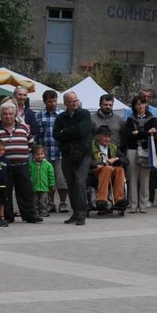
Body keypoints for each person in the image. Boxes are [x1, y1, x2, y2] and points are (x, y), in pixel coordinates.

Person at [0, 100, 38, 224]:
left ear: (15, 115)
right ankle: (7, 216)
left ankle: (30, 215)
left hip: (22, 164)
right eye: (5, 114)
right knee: (5, 192)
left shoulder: (24, 127)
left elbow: (31, 144)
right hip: (3, 167)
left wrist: (21, 153)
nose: (8, 116)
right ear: (0, 114)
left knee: (26, 191)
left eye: (10, 114)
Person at [53, 91, 92, 225]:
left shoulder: (85, 114)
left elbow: (83, 130)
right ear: (65, 104)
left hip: (83, 154)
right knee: (70, 183)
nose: (75, 103)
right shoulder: (61, 117)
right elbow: (56, 134)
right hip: (67, 153)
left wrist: (66, 131)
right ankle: (75, 212)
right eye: (71, 101)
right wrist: (70, 133)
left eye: (76, 100)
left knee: (80, 182)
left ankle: (82, 213)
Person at [121, 95, 157, 214]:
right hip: (132, 150)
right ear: (134, 106)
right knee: (132, 177)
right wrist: (146, 133)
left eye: (142, 103)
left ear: (146, 105)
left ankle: (143, 205)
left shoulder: (152, 118)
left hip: (147, 150)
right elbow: (129, 135)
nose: (141, 106)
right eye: (138, 104)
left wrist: (139, 132)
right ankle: (132, 205)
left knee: (145, 178)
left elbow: (153, 134)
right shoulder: (130, 119)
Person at [31, 91, 66, 211]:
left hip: (60, 152)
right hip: (44, 154)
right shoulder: (39, 115)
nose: (52, 103)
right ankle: (50, 203)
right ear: (45, 102)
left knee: (61, 180)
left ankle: (63, 202)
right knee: (46, 180)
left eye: (54, 100)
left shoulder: (63, 115)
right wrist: (35, 151)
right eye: (50, 101)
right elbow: (36, 136)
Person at [91, 126, 126, 213]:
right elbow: (86, 159)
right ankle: (101, 200)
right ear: (98, 136)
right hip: (95, 171)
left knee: (120, 170)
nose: (107, 139)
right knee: (106, 169)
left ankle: (119, 199)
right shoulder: (91, 145)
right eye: (104, 136)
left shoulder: (113, 147)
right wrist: (96, 165)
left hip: (110, 171)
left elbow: (126, 160)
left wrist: (115, 159)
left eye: (109, 137)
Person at [30, 146, 56, 220]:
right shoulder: (31, 164)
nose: (39, 156)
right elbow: (29, 174)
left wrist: (52, 184)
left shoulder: (48, 165)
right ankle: (35, 213)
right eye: (37, 154)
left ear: (44, 154)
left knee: (43, 201)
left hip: (44, 186)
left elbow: (51, 175)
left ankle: (43, 212)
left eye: (41, 154)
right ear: (34, 155)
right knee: (34, 201)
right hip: (34, 186)